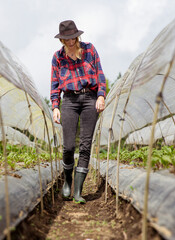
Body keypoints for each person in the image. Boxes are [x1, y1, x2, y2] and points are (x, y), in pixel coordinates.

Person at [50, 20, 106, 204]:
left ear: (77, 35)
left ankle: (78, 191)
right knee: (68, 147)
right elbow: (55, 84)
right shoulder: (58, 57)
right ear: (62, 40)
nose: (70, 41)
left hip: (90, 98)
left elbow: (100, 74)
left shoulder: (90, 50)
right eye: (66, 39)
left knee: (85, 145)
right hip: (70, 100)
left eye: (73, 37)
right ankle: (67, 181)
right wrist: (55, 106)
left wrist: (100, 96)